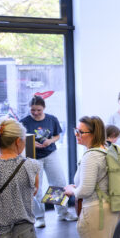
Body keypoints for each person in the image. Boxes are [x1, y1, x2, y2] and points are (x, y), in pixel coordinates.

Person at [63, 116, 120, 238]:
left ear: (93, 134)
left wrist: (72, 191)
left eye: (80, 132)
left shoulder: (91, 156)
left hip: (96, 212)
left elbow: (85, 191)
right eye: (76, 131)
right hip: (111, 208)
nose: (77, 135)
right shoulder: (106, 150)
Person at [19, 95, 77, 227]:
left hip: (51, 154)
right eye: (32, 110)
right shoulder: (24, 122)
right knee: (35, 188)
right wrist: (31, 143)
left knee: (58, 183)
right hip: (32, 157)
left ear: (44, 108)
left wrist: (50, 140)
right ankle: (39, 217)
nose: (35, 112)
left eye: (38, 110)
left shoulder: (52, 119)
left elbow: (57, 135)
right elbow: (20, 139)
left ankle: (62, 213)